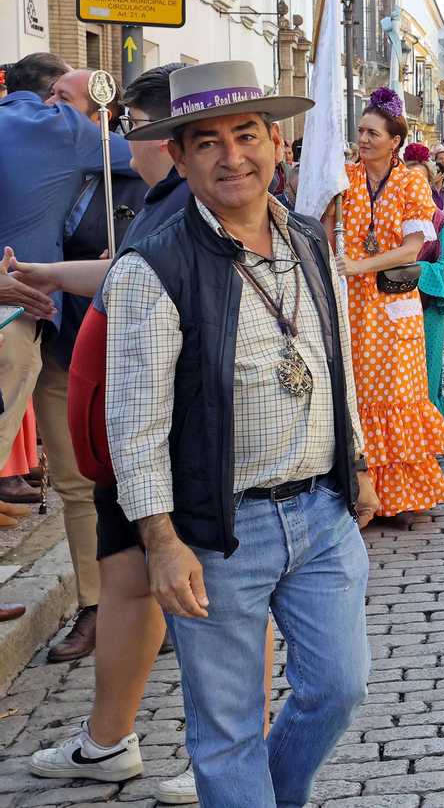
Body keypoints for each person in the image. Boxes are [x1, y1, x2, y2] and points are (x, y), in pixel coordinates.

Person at [103, 59, 377, 807]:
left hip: (321, 513)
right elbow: (135, 427)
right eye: (208, 142)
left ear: (277, 143)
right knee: (226, 733)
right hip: (216, 533)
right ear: (183, 158)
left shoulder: (310, 242)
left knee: (340, 686)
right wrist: (161, 541)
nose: (233, 156)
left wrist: (357, 458)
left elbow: (333, 354)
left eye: (246, 134)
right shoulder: (150, 267)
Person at [19, 62, 207, 804]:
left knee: (213, 592)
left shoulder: (200, 202)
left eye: (129, 123)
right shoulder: (162, 199)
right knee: (128, 581)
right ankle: (107, 742)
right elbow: (126, 275)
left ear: (152, 128)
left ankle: (221, 749)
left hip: (183, 428)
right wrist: (49, 272)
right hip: (128, 430)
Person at [0, 51, 136, 662]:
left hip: (96, 342)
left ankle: (101, 605)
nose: (83, 118)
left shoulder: (133, 178)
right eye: (80, 103)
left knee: (83, 483)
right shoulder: (47, 131)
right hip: (37, 327)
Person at [338, 88, 444, 516]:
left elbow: (413, 247)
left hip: (392, 304)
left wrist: (359, 265)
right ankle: (363, 489)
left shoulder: (410, 181)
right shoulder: (344, 178)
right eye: (361, 131)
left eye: (373, 133)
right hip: (350, 306)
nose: (363, 139)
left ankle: (401, 496)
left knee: (399, 395)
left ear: (394, 140)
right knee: (357, 396)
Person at [407, 148, 444, 433]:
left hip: (429, 302)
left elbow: (443, 263)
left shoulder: (440, 219)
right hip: (395, 303)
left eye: (420, 180)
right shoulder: (391, 219)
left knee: (430, 367)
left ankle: (429, 430)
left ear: (429, 184)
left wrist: (409, 269)